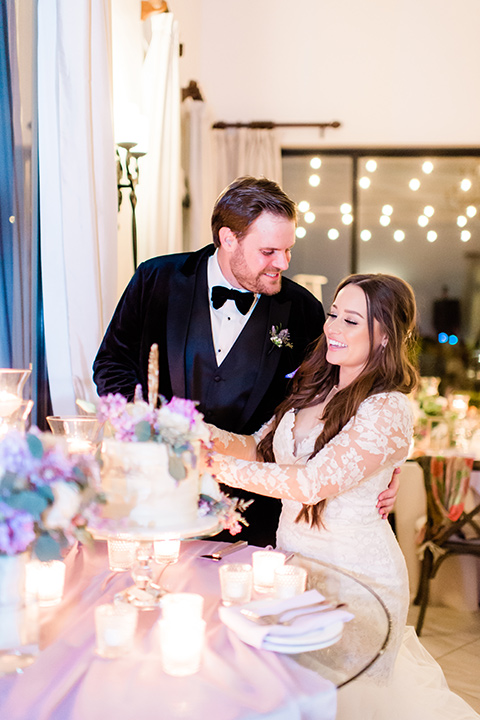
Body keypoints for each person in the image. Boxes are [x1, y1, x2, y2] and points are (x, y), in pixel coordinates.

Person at [206, 273, 479, 719]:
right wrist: (199, 435)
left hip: (358, 578)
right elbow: (260, 448)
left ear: (385, 336)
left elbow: (311, 482)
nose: (333, 327)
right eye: (334, 314)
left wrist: (211, 467)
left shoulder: (387, 408)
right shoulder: (313, 386)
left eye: (352, 320)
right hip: (296, 566)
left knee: (348, 703)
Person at [93, 177, 397, 546]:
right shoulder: (156, 280)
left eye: (288, 250)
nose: (282, 263)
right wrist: (150, 431)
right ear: (228, 239)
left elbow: (340, 388)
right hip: (161, 487)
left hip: (259, 508)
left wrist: (386, 465)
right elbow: (111, 364)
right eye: (269, 251)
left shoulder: (300, 308)